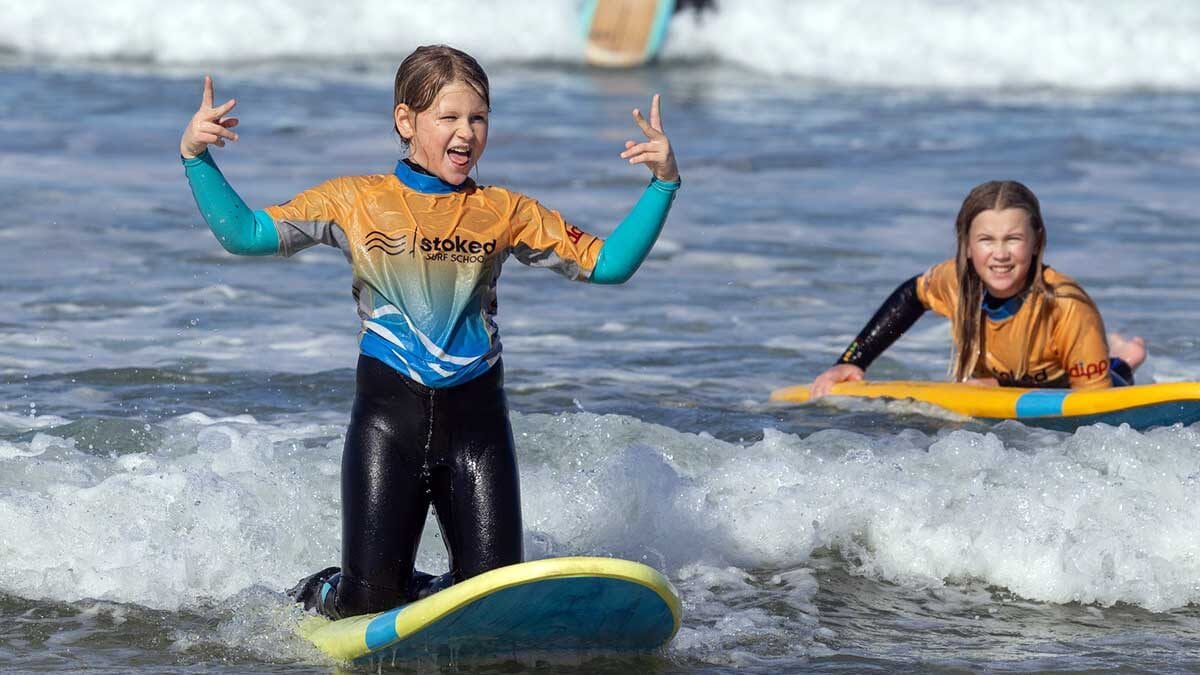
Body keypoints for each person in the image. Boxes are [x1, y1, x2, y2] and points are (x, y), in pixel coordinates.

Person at [179, 45, 680, 618]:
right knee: (367, 606)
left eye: (479, 118)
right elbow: (243, 233)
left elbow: (608, 264)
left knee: (494, 601)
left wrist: (662, 184)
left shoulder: (505, 210)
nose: (466, 133)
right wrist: (196, 156)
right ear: (405, 120)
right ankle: (328, 587)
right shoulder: (356, 201)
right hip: (388, 425)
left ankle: (422, 594)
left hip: (477, 428)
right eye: (449, 117)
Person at [810, 180, 1146, 398]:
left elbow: (1095, 406)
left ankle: (1127, 359)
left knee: (1116, 372)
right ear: (967, 245)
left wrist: (1002, 387)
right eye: (986, 240)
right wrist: (853, 361)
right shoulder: (957, 280)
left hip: (1066, 382)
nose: (1000, 254)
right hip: (998, 384)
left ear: (1036, 242)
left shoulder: (1067, 306)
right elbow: (912, 295)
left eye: (1013, 239)